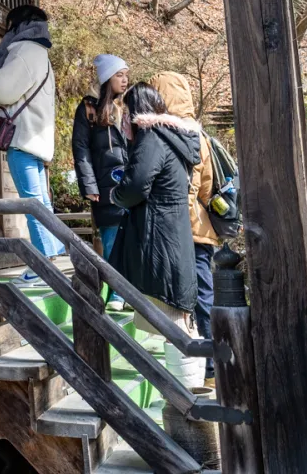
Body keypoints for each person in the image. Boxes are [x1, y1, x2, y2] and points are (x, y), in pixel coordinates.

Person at [110, 82, 204, 387]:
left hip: (159, 243)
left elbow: (135, 187)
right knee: (177, 321)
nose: (122, 121)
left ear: (136, 114)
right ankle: (188, 398)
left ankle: (187, 402)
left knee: (174, 326)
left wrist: (115, 194)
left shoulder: (151, 138)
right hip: (173, 239)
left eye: (125, 114)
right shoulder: (173, 138)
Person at [0, 4, 65, 285]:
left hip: (23, 138)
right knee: (42, 205)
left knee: (32, 205)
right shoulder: (42, 54)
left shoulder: (24, 50)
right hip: (37, 139)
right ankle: (52, 258)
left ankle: (42, 267)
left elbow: (3, 89)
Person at [147, 71, 219, 387]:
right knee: (204, 294)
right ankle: (213, 365)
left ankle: (188, 363)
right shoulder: (200, 138)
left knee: (178, 297)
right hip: (199, 230)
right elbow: (208, 188)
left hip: (171, 230)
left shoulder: (156, 135)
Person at [71, 54, 131, 308]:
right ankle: (116, 293)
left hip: (129, 183)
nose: (125, 79)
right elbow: (81, 148)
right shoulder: (89, 109)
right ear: (107, 78)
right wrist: (89, 186)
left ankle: (130, 292)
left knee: (131, 237)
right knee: (110, 239)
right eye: (119, 75)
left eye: (126, 74)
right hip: (104, 186)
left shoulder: (128, 106)